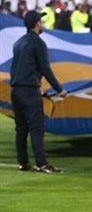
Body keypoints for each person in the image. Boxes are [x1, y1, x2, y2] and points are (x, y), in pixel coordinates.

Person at [10, 11, 68, 173]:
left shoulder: (18, 43)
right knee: (36, 128)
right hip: (29, 91)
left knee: (21, 129)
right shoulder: (38, 43)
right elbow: (45, 69)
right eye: (41, 22)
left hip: (16, 90)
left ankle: (23, 163)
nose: (42, 24)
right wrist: (59, 89)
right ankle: (42, 164)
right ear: (37, 24)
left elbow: (17, 68)